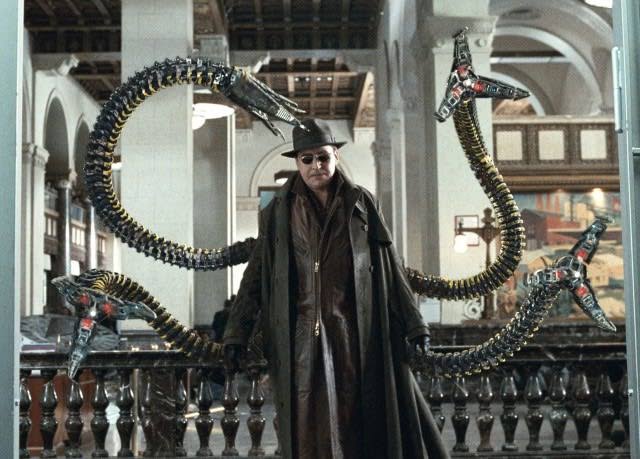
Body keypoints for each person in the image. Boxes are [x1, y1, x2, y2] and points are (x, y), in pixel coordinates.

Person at [223, 119, 449, 459]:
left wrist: (415, 324)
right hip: (299, 340)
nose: (316, 165)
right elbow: (255, 276)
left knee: (355, 423)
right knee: (304, 427)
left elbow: (391, 266)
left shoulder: (362, 204)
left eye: (323, 157)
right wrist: (235, 334)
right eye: (307, 159)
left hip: (353, 334)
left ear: (335, 157)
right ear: (297, 162)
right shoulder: (277, 213)